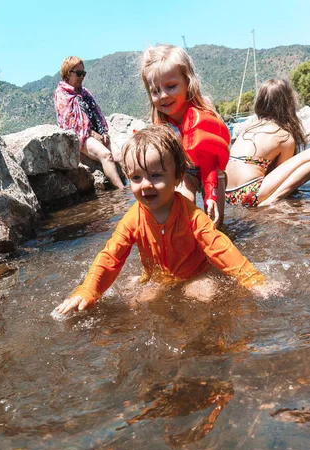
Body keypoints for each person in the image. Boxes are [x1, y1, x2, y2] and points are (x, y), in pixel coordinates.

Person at [54, 126, 267, 316]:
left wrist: (252, 279)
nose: (145, 185)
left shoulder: (191, 214)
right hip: (157, 277)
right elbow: (111, 256)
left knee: (204, 296)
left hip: (195, 275)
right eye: (136, 178)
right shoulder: (132, 219)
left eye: (156, 176)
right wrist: (88, 290)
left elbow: (219, 247)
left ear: (177, 177)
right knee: (135, 302)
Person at [140, 44, 230, 227]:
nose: (163, 96)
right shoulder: (162, 126)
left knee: (216, 221)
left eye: (171, 87)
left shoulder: (201, 118)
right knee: (181, 212)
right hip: (185, 172)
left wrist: (211, 194)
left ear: (188, 83)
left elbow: (211, 164)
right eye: (155, 91)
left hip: (212, 171)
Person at [225, 78, 309, 207]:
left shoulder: (249, 128)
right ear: (288, 103)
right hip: (248, 193)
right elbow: (284, 177)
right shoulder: (283, 137)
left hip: (227, 194)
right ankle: (270, 201)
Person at [54, 56, 124, 189]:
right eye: (79, 73)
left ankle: (135, 188)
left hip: (96, 132)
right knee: (106, 155)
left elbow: (97, 114)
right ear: (68, 73)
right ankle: (122, 192)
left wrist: (103, 132)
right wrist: (91, 133)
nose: (82, 77)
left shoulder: (84, 92)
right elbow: (70, 124)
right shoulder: (61, 94)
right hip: (81, 136)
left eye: (83, 73)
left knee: (120, 155)